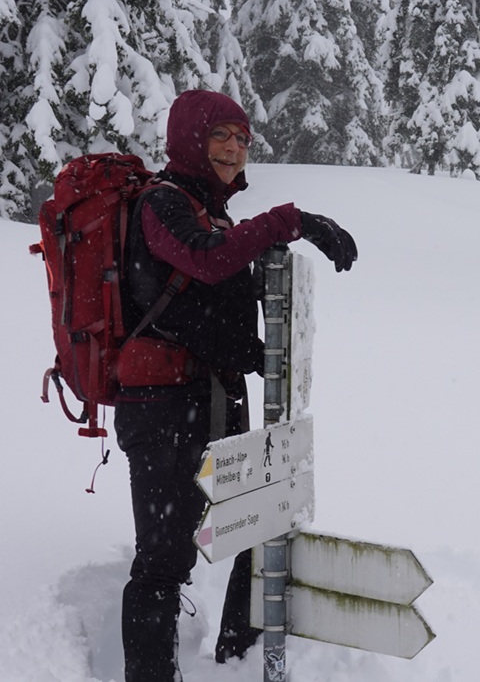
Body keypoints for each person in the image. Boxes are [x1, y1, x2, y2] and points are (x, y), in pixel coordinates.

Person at [114, 89, 357, 682]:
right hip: (163, 410)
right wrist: (290, 221)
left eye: (243, 138)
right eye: (220, 135)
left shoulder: (211, 213)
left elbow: (212, 307)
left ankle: (238, 663)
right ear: (189, 139)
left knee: (258, 523)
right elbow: (205, 261)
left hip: (212, 404)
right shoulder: (162, 204)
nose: (233, 148)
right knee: (162, 563)